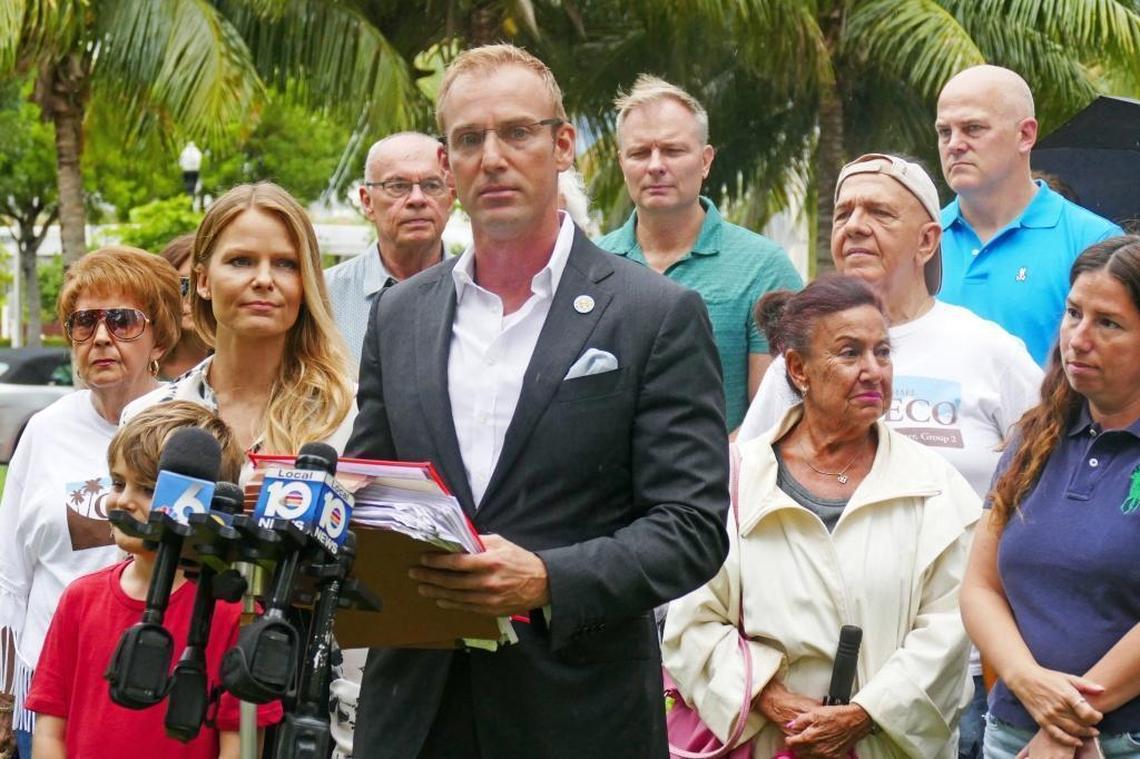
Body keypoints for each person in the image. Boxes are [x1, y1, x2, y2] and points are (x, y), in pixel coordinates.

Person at [346, 44, 730, 758]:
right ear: (447, 163)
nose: (492, 157)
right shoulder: (398, 316)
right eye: (469, 139)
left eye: (517, 132)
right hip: (414, 716)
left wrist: (550, 577)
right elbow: (371, 490)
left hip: (577, 714)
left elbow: (692, 527)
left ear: (563, 146)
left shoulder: (654, 313)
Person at [665, 275, 981, 758]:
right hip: (765, 743)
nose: (874, 371)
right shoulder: (735, 480)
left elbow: (951, 629)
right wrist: (769, 698)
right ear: (798, 369)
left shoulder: (936, 489)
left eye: (883, 352)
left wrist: (865, 714)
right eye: (850, 353)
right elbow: (692, 623)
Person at [740, 153, 1042, 497]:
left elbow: (1051, 464)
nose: (854, 225)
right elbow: (747, 482)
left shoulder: (990, 350)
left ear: (927, 241)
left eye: (879, 212)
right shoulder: (801, 360)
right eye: (843, 214)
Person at [961, 236, 1140, 759]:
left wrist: (1065, 725)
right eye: (1073, 313)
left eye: (1108, 323)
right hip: (1013, 731)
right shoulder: (1033, 439)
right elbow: (980, 586)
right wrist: (1028, 683)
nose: (1079, 338)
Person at [0, 246, 181, 759]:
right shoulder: (44, 430)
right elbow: (11, 577)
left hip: (158, 689)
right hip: (52, 693)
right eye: (84, 322)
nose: (101, 337)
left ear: (159, 337)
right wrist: (3, 698)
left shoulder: (189, 424)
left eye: (122, 320)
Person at [25, 401, 282, 757]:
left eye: (147, 489)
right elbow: (51, 731)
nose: (123, 500)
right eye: (117, 482)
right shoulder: (80, 598)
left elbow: (238, 746)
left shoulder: (229, 612)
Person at [596, 74, 802, 432]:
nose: (656, 165)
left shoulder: (763, 267)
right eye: (640, 152)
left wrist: (704, 476)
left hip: (720, 482)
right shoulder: (591, 265)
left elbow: (775, 418)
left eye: (673, 150)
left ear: (706, 160)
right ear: (621, 163)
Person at [124, 182, 356, 471]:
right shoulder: (148, 415)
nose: (263, 279)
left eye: (286, 264)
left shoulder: (351, 415)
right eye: (241, 261)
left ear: (306, 283)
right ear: (203, 281)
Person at [935, 64, 1122, 365]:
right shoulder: (919, 240)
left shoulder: (1094, 242)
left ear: (1024, 134)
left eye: (973, 128)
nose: (954, 144)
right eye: (944, 132)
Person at [324, 133, 456, 364]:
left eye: (432, 185)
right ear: (367, 202)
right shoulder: (323, 297)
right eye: (398, 186)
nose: (417, 199)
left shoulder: (482, 293)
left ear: (451, 198)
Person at [158, 233, 211, 379]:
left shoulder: (239, 363)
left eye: (204, 283)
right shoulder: (141, 363)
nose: (192, 298)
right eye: (182, 284)